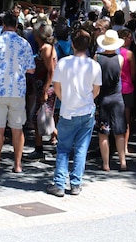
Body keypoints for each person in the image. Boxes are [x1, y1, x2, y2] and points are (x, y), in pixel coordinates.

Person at [0, 12, 35, 174]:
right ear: (17, 25)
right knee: (18, 129)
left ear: (3, 25)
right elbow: (31, 69)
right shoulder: (24, 44)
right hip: (18, 90)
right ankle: (17, 164)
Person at [48, 29, 101, 197]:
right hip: (86, 112)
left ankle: (59, 183)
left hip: (68, 111)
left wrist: (67, 99)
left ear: (72, 44)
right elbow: (96, 90)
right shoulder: (94, 65)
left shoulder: (63, 63)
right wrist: (85, 100)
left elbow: (56, 87)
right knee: (81, 149)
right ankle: (76, 183)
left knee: (63, 148)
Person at [94, 29, 127, 172]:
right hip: (117, 98)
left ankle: (106, 164)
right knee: (119, 132)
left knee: (103, 132)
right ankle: (123, 162)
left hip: (103, 98)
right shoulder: (120, 59)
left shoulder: (97, 58)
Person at [30, 21, 58, 159]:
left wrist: (45, 90)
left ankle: (40, 147)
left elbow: (51, 70)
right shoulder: (44, 48)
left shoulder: (47, 49)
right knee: (42, 118)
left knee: (41, 117)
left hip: (46, 87)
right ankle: (39, 146)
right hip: (41, 86)